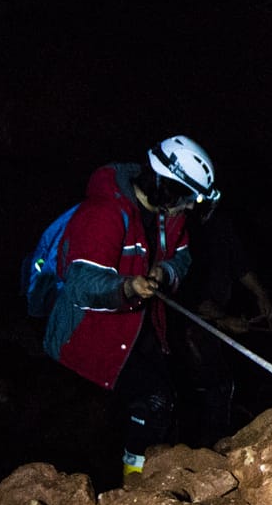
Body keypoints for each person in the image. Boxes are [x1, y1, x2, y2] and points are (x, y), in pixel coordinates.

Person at [42, 135, 219, 477]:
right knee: (151, 402)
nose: (187, 209)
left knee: (164, 404)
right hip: (88, 334)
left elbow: (182, 259)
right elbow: (79, 284)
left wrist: (164, 273)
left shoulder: (171, 216)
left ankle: (138, 475)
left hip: (141, 328)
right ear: (163, 186)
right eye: (184, 198)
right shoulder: (105, 213)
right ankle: (134, 492)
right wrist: (126, 286)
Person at [170, 206, 272, 448]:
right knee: (204, 387)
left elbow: (239, 263)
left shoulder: (220, 222)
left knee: (221, 384)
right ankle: (196, 450)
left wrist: (261, 295)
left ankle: (215, 446)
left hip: (211, 320)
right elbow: (186, 289)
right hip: (185, 322)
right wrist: (222, 319)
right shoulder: (181, 226)